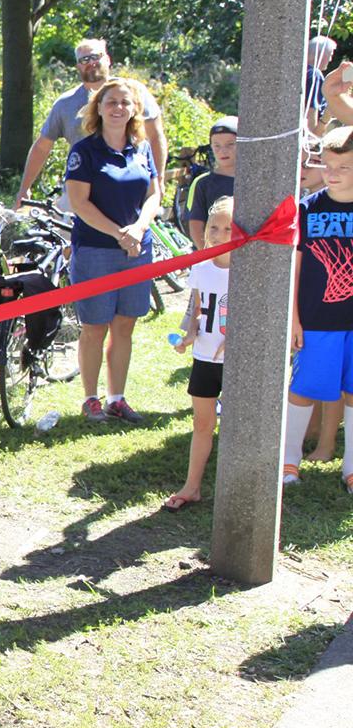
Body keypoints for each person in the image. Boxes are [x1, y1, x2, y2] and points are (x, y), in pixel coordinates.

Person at [64, 77, 162, 424]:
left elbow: (154, 194)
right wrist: (120, 233)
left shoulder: (142, 147)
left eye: (125, 102)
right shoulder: (84, 151)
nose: (118, 108)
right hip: (95, 250)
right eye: (111, 102)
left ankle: (116, 398)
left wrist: (137, 229)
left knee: (125, 326)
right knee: (95, 326)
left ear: (135, 108)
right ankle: (90, 399)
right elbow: (80, 203)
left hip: (137, 250)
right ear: (99, 109)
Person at [15, 39, 167, 211]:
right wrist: (24, 188)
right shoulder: (65, 104)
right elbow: (42, 147)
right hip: (80, 195)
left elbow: (155, 136)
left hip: (129, 191)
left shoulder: (133, 93)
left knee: (133, 235)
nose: (90, 63)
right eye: (84, 60)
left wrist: (159, 179)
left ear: (108, 60)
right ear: (78, 66)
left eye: (95, 56)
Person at [283, 125, 353, 491]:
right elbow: (293, 269)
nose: (333, 174)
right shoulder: (307, 209)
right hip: (317, 319)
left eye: (344, 167)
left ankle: (351, 468)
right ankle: (289, 461)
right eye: (328, 166)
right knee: (304, 388)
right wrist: (294, 318)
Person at [163, 198, 233, 512]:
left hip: (236, 362)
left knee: (237, 426)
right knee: (202, 424)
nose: (219, 234)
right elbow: (196, 309)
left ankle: (238, 492)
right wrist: (188, 336)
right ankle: (192, 487)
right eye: (214, 227)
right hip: (205, 359)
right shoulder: (201, 265)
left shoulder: (249, 268)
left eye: (228, 228)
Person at [184, 117, 237, 248]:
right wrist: (208, 258)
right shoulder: (202, 183)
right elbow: (196, 224)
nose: (223, 151)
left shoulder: (254, 180)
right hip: (215, 255)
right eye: (217, 146)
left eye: (230, 144)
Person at [306, 35, 336, 137]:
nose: (331, 59)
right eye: (330, 55)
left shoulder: (301, 72)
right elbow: (311, 131)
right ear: (321, 54)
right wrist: (328, 114)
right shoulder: (314, 75)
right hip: (309, 145)